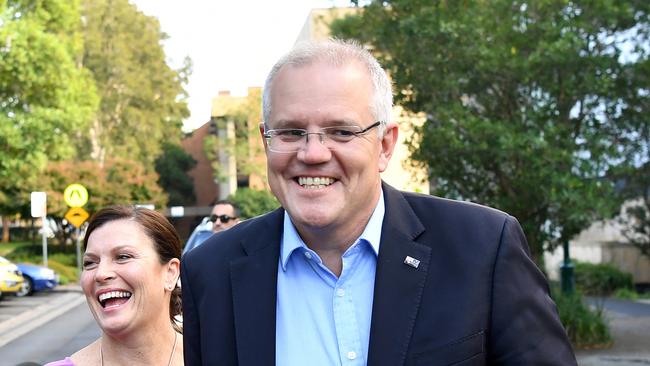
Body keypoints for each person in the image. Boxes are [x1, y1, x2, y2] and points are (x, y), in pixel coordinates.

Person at [181, 39, 577, 365]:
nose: (314, 152)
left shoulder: (483, 249)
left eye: (340, 131)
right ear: (267, 140)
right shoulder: (211, 273)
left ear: (385, 145)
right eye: (291, 132)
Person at [46, 206, 183, 366]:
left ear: (170, 273)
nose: (100, 274)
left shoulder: (212, 357)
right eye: (90, 263)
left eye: (123, 256)